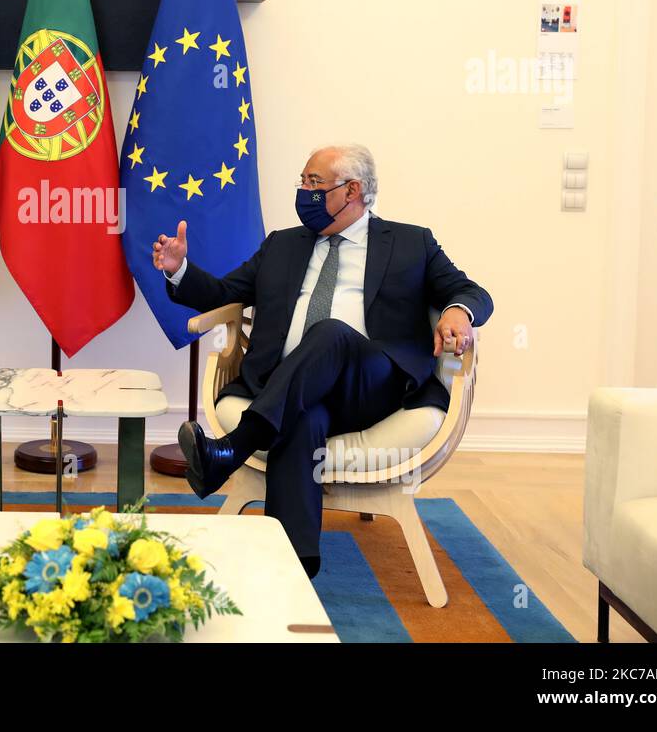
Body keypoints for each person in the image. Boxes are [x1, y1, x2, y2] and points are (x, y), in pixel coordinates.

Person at [153, 143, 492, 578]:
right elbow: (223, 294)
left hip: (371, 385)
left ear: (352, 191)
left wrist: (456, 312)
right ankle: (294, 567)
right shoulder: (282, 245)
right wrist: (179, 270)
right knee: (305, 416)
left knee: (328, 332)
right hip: (291, 387)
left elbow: (473, 292)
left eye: (314, 183)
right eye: (303, 180)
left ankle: (234, 448)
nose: (303, 190)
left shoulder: (411, 242)